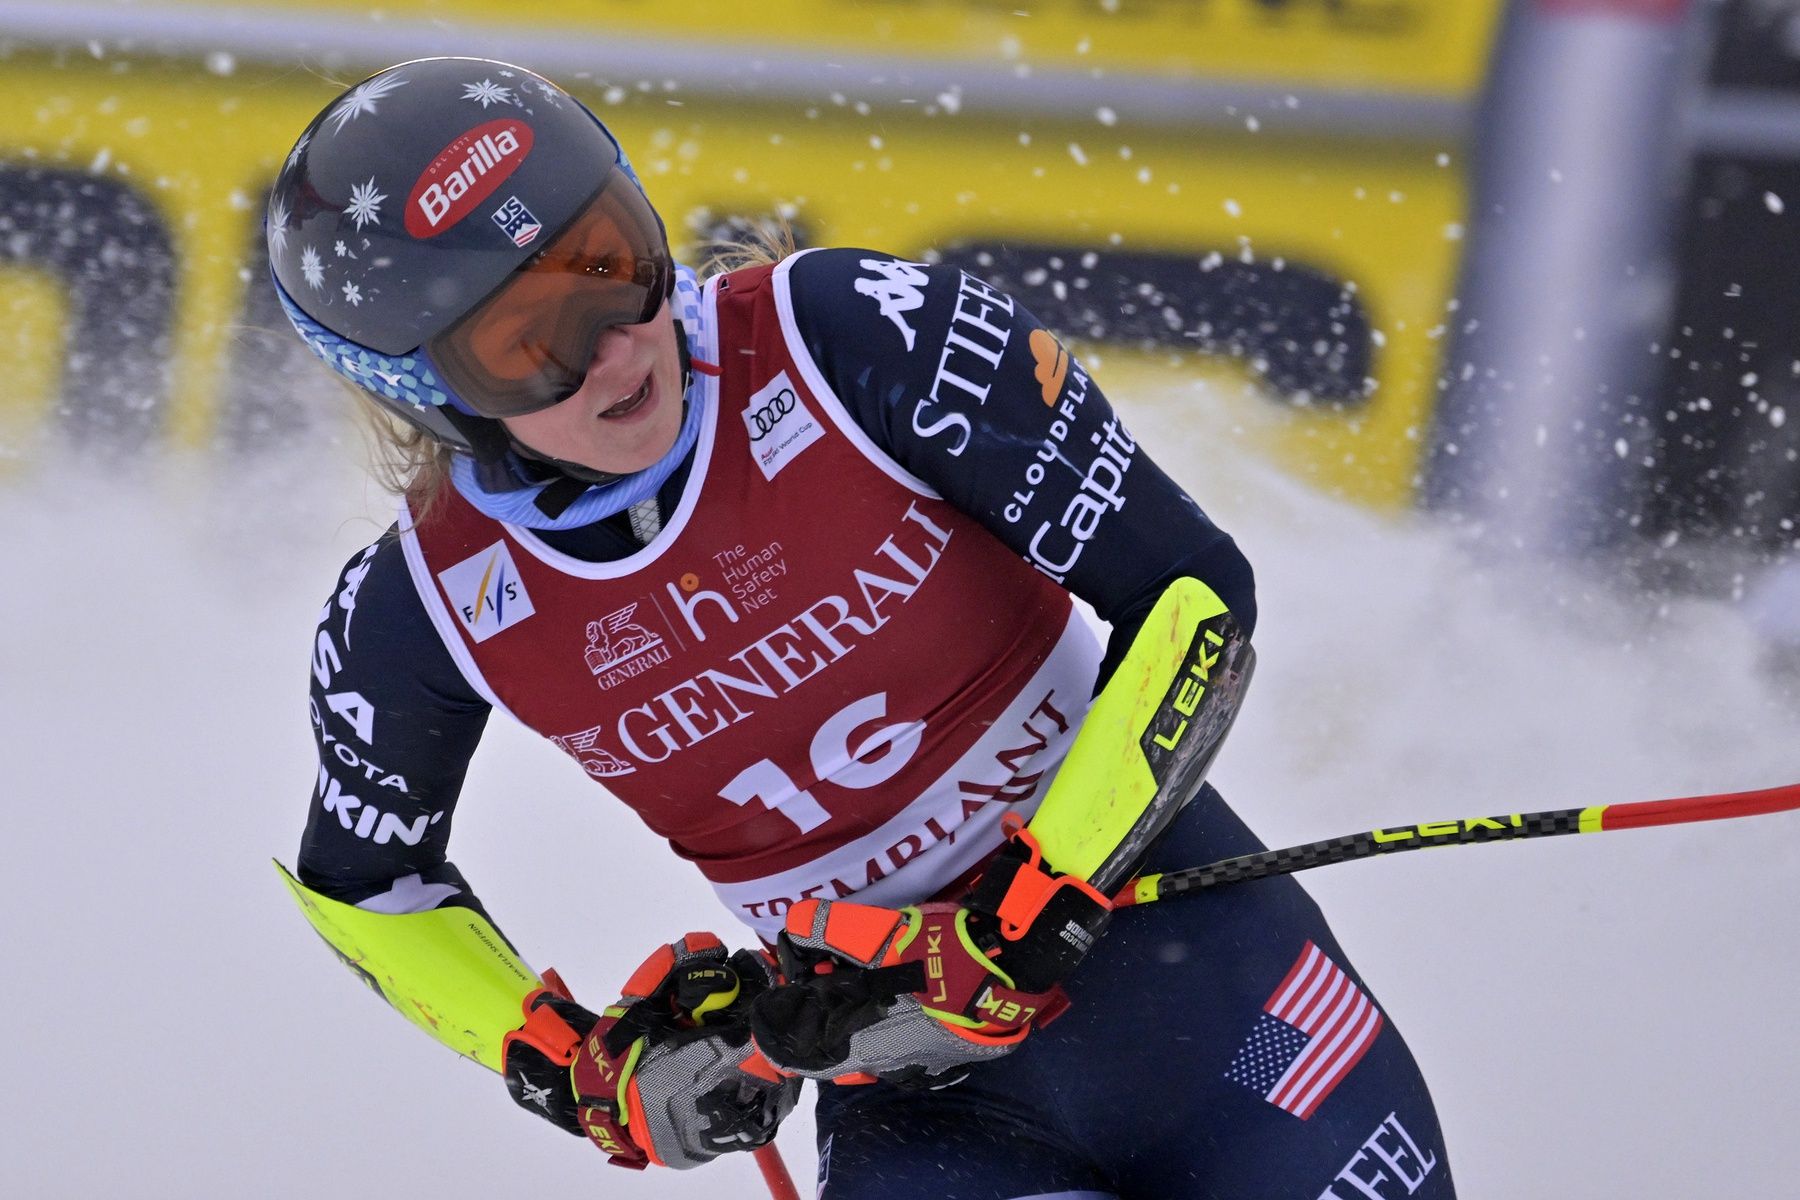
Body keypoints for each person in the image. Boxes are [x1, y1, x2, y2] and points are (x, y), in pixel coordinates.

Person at [270, 56, 1456, 1200]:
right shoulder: (419, 607)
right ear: (425, 388)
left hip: (1207, 997)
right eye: (531, 343)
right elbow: (365, 888)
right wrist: (580, 1069)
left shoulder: (851, 336)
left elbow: (1192, 593)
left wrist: (1044, 890)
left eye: (611, 260)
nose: (619, 347)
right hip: (928, 1105)